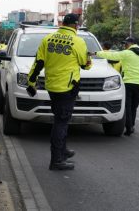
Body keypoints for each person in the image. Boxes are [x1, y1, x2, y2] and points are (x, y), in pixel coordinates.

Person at [27, 13, 92, 170]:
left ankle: (62, 150)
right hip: (67, 87)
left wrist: (31, 82)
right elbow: (85, 65)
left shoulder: (48, 39)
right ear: (75, 25)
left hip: (52, 87)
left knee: (60, 119)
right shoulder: (78, 42)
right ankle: (56, 160)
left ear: (63, 23)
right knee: (61, 123)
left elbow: (38, 63)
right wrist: (88, 60)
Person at [91, 37, 139, 136]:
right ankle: (132, 124)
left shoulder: (126, 53)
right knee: (134, 106)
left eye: (125, 43)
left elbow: (111, 55)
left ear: (130, 44)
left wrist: (95, 53)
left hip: (128, 82)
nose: (125, 45)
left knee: (127, 106)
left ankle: (129, 128)